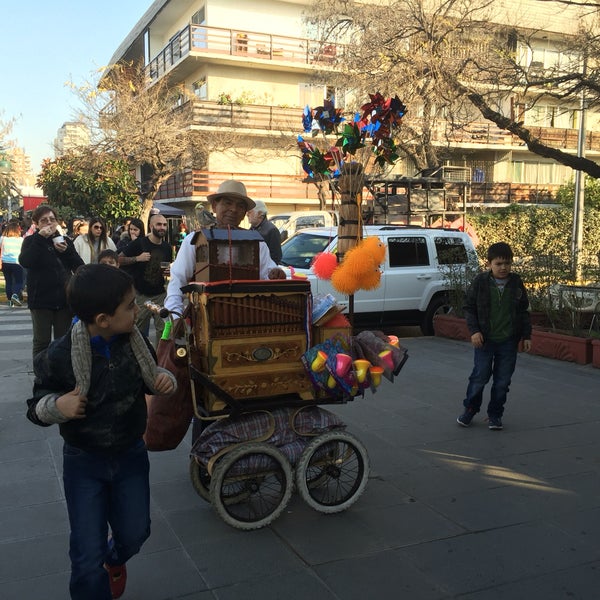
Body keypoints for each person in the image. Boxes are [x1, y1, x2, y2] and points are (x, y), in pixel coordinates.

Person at [25, 264, 177, 600]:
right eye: (129, 306)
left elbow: (156, 378)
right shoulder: (61, 355)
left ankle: (116, 558)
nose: (136, 311)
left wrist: (166, 382)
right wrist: (57, 405)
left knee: (136, 533)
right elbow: (35, 407)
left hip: (130, 455)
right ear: (103, 319)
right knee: (84, 555)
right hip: (84, 461)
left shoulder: (134, 344)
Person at [165, 180, 286, 317]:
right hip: (204, 321)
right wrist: (175, 316)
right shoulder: (194, 241)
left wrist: (276, 273)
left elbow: (268, 275)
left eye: (240, 206)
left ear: (245, 212)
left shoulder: (257, 243)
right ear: (215, 206)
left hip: (248, 319)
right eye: (228, 203)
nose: (234, 209)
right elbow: (178, 281)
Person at [457, 242, 531, 430]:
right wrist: (474, 331)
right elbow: (469, 307)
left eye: (507, 263)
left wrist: (526, 335)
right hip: (485, 341)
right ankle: (470, 409)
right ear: (489, 264)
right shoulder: (481, 282)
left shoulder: (516, 283)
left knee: (502, 381)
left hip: (508, 342)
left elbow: (523, 311)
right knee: (479, 377)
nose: (503, 267)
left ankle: (495, 415)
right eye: (498, 264)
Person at [19, 205, 84, 359]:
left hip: (63, 299)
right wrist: (40, 238)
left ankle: (61, 374)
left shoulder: (65, 240)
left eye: (52, 219)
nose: (49, 223)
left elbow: (79, 265)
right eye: (44, 220)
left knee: (62, 341)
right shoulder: (31, 241)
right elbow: (25, 261)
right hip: (40, 299)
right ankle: (42, 375)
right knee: (42, 342)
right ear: (36, 223)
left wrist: (66, 251)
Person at [120, 213, 172, 345]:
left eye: (165, 225)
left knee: (165, 329)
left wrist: (169, 271)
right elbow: (118, 259)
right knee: (137, 332)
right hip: (141, 296)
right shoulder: (140, 243)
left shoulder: (167, 247)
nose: (162, 227)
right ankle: (140, 360)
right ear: (151, 226)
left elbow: (166, 268)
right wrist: (137, 258)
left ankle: (160, 358)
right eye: (159, 224)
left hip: (160, 294)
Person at [247, 199, 282, 263]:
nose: (247, 214)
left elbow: (276, 257)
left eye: (250, 212)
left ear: (260, 213)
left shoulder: (272, 230)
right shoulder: (252, 229)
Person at [1, 221, 26, 306]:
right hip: (16, 262)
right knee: (19, 281)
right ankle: (15, 295)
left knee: (8, 281)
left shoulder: (2, 238)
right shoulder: (20, 240)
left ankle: (10, 299)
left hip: (5, 263)